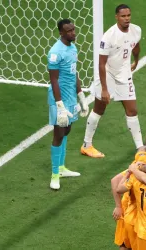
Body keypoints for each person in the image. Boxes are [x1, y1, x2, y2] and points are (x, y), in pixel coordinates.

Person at [80, 4, 143, 158]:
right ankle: (86, 145)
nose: (127, 18)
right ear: (116, 17)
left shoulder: (136, 30)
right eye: (123, 16)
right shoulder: (108, 37)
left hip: (124, 74)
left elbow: (135, 46)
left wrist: (136, 60)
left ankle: (140, 147)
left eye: (128, 15)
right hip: (107, 75)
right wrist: (104, 89)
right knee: (99, 109)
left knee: (132, 110)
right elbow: (101, 64)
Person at [47, 19, 89, 190]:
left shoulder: (73, 47)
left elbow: (74, 72)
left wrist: (81, 96)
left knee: (67, 130)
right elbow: (54, 80)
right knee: (58, 133)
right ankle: (54, 175)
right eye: (69, 31)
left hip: (71, 96)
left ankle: (62, 167)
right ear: (61, 33)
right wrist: (59, 105)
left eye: (73, 29)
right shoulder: (55, 52)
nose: (73, 33)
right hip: (59, 98)